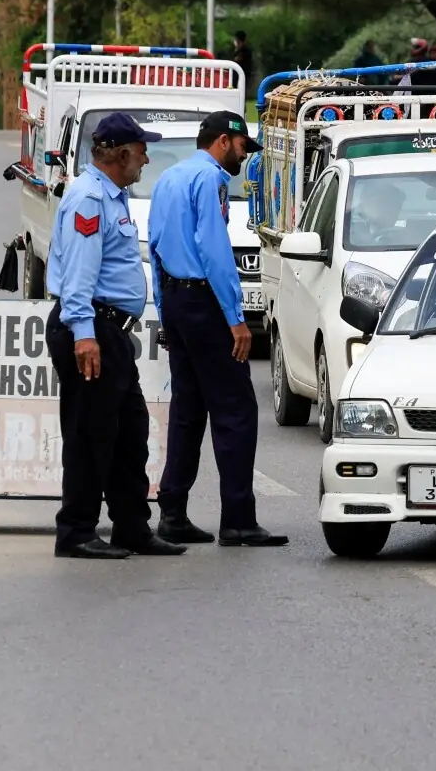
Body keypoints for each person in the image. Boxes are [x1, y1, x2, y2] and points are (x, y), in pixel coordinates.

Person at [45, 112, 186, 560]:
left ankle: (131, 528)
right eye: (142, 150)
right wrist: (84, 336)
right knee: (91, 435)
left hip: (109, 330)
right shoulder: (89, 199)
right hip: (90, 329)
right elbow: (79, 276)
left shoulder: (112, 196)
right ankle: (76, 532)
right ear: (121, 154)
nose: (146, 158)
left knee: (129, 432)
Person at [148, 110, 288, 548]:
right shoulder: (211, 181)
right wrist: (235, 319)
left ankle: (172, 512)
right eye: (244, 147)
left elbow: (154, 245)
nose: (245, 157)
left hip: (176, 298)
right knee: (236, 410)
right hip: (205, 303)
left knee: (188, 411)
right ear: (225, 141)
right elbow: (213, 250)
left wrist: (165, 310)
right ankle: (239, 519)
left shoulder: (169, 178)